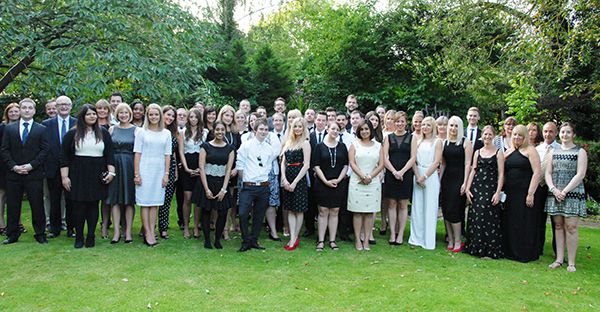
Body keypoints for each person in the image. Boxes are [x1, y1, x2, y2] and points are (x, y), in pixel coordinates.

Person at [60, 104, 115, 248]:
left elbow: (110, 154)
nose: (92, 116)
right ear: (82, 116)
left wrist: (111, 173)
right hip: (78, 173)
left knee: (93, 206)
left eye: (94, 114)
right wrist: (65, 177)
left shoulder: (103, 132)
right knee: (78, 206)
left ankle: (91, 235)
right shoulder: (73, 133)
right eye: (89, 114)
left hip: (96, 174)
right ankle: (79, 236)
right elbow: (64, 156)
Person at [1, 99, 49, 245]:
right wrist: (14, 166)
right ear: (20, 110)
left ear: (34, 111)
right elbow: (4, 149)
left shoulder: (41, 129)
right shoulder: (9, 129)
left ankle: (40, 233)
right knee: (13, 204)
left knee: (37, 204)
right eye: (24, 108)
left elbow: (45, 150)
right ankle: (12, 234)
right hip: (14, 173)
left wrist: (31, 165)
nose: (27, 110)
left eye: (30, 108)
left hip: (33, 173)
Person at [545, 123, 587, 272]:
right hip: (555, 193)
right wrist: (554, 189)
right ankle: (559, 259)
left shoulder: (580, 151)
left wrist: (565, 191)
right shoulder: (552, 151)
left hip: (573, 193)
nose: (565, 135)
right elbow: (548, 173)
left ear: (573, 134)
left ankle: (571, 262)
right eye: (562, 132)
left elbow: (580, 174)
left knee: (571, 227)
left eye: (568, 132)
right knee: (558, 226)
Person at [236, 118, 280, 252]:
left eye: (266, 129)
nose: (263, 132)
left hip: (263, 186)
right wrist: (246, 180)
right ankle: (245, 240)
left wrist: (263, 180)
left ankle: (254, 240)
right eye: (261, 129)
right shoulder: (246, 145)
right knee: (243, 214)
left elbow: (267, 166)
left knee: (259, 215)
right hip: (248, 186)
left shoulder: (269, 148)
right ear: (255, 130)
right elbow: (240, 165)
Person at [134, 104, 172, 247]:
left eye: (156, 114)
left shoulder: (166, 133)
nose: (154, 117)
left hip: (159, 170)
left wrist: (166, 174)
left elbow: (167, 155)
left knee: (155, 202)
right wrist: (137, 174)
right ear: (147, 116)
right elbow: (137, 153)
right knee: (145, 202)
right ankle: (148, 232)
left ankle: (151, 230)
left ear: (160, 116)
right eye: (151, 115)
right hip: (145, 169)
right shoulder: (141, 132)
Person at [502, 124, 542, 262]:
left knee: (524, 222)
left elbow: (537, 172)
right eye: (514, 134)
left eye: (520, 135)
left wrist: (530, 193)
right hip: (510, 193)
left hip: (525, 193)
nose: (517, 137)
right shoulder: (508, 151)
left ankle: (523, 252)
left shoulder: (530, 150)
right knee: (511, 221)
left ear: (525, 137)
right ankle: (510, 251)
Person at [464, 125, 505, 259]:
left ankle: (489, 250)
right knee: (476, 217)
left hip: (490, 189)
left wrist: (498, 192)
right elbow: (473, 170)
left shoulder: (499, 152)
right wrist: (468, 189)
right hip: (477, 188)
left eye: (489, 135)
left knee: (489, 219)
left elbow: (501, 174)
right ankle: (475, 248)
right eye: (485, 135)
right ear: (482, 136)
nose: (487, 137)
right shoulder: (478, 152)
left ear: (493, 136)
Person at [42, 96, 77, 239]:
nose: (64, 107)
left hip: (73, 168)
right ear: (56, 107)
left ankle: (71, 228)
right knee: (54, 199)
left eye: (66, 104)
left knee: (71, 200)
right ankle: (54, 229)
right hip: (53, 167)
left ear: (71, 106)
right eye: (61, 104)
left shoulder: (77, 123)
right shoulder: (46, 124)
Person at [347, 120, 384, 251]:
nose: (364, 132)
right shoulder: (354, 145)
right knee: (357, 213)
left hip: (372, 182)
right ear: (358, 131)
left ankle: (367, 239)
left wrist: (370, 176)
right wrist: (362, 176)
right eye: (362, 129)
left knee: (369, 213)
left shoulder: (378, 146)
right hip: (357, 181)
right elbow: (352, 162)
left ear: (371, 130)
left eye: (367, 129)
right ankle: (358, 239)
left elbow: (381, 164)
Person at [312, 121, 349, 251]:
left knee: (335, 211)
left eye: (337, 129)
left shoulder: (342, 147)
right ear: (327, 129)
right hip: (322, 184)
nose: (335, 131)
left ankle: (332, 240)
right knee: (323, 211)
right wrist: (326, 181)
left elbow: (345, 165)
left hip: (338, 184)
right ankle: (321, 240)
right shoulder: (319, 146)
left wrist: (338, 179)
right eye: (332, 128)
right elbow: (316, 166)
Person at [198, 121, 235, 249]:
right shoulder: (205, 146)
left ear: (225, 131)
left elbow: (228, 169)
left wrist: (224, 189)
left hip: (221, 183)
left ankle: (217, 239)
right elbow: (201, 168)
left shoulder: (230, 148)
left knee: (223, 212)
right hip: (207, 181)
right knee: (206, 211)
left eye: (222, 130)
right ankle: (207, 239)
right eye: (217, 129)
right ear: (213, 131)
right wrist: (206, 189)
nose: (220, 132)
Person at [409, 116, 442, 250]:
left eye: (428, 125)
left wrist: (425, 176)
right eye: (423, 125)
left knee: (429, 207)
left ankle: (428, 240)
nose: (424, 127)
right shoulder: (418, 141)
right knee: (417, 208)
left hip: (430, 176)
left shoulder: (438, 141)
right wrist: (418, 176)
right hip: (418, 174)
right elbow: (413, 160)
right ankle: (416, 238)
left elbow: (437, 162)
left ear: (433, 127)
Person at [440, 116, 472, 252]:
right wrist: (439, 181)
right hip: (447, 179)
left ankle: (458, 240)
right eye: (451, 125)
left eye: (456, 126)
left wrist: (465, 182)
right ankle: (451, 239)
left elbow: (468, 164)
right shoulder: (444, 143)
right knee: (446, 210)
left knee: (454, 210)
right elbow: (443, 163)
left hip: (459, 179)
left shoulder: (465, 142)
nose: (453, 128)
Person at [383, 111, 416, 245]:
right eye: (397, 121)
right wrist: (394, 171)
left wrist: (402, 172)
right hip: (391, 174)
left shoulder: (412, 138)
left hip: (406, 174)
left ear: (406, 122)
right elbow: (384, 157)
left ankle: (400, 234)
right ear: (393, 122)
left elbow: (413, 157)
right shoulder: (388, 138)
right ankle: (392, 233)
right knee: (391, 203)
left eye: (402, 121)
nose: (399, 124)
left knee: (403, 204)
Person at [106, 103, 136, 244]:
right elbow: (107, 150)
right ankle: (117, 232)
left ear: (130, 114)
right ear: (117, 114)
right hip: (115, 166)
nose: (123, 115)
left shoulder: (137, 130)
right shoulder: (112, 129)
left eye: (126, 113)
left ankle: (128, 232)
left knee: (129, 200)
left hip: (130, 164)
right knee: (115, 199)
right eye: (121, 113)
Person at [280, 117, 311, 251]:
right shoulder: (288, 142)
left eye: (300, 126)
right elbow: (283, 162)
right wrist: (284, 179)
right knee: (290, 209)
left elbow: (307, 165)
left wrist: (294, 182)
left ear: (304, 128)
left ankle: (295, 237)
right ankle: (292, 236)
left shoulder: (305, 143)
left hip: (299, 179)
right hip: (287, 177)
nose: (297, 129)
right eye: (295, 126)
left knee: (298, 209)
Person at [177, 108, 206, 239]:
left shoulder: (205, 133)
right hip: (187, 166)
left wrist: (201, 168)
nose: (193, 119)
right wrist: (186, 168)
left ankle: (196, 226)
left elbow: (206, 151)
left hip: (200, 166)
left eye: (195, 117)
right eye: (191, 117)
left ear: (199, 119)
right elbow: (181, 152)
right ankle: (186, 227)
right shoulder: (183, 132)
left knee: (197, 199)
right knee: (187, 198)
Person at [536, 122, 560, 254]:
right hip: (540, 188)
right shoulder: (537, 149)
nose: (547, 134)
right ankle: (538, 248)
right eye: (545, 131)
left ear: (556, 133)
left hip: (554, 188)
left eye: (551, 131)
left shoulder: (560, 149)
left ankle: (559, 251)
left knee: (557, 222)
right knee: (539, 220)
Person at [158, 105, 180, 240]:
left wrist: (176, 169)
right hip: (156, 164)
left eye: (173, 116)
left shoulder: (174, 133)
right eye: (168, 115)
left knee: (166, 199)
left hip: (170, 167)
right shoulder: (155, 130)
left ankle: (163, 227)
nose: (170, 118)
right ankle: (147, 227)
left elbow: (174, 153)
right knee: (153, 197)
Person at [0, 103, 20, 235]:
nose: (13, 114)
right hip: (2, 165)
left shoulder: (24, 127)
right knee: (2, 195)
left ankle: (18, 223)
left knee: (16, 195)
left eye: (16, 111)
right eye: (10, 112)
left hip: (18, 164)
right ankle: (1, 224)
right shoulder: (2, 128)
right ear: (7, 114)